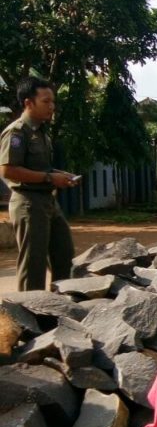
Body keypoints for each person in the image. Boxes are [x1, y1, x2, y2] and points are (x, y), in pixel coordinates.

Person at [0, 77, 79, 291]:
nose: (51, 106)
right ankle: (30, 310)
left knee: (65, 257)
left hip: (48, 202)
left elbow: (42, 168)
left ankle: (62, 305)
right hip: (28, 203)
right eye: (46, 101)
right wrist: (49, 178)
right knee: (33, 266)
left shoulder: (42, 132)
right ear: (28, 103)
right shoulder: (17, 132)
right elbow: (8, 170)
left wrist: (59, 175)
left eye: (53, 101)